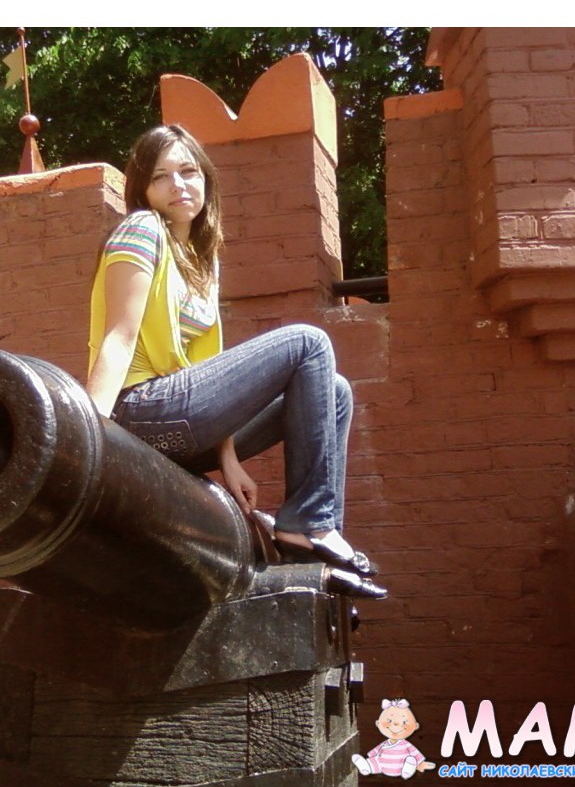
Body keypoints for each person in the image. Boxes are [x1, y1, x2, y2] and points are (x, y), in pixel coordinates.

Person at [86, 124, 384, 598]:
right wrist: (92, 436)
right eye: (161, 176)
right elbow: (119, 338)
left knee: (335, 391)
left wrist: (228, 459)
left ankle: (303, 539)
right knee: (308, 343)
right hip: (139, 410)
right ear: (143, 188)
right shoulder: (141, 229)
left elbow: (203, 371)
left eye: (188, 171)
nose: (178, 185)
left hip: (185, 422)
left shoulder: (201, 258)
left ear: (206, 178)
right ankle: (311, 523)